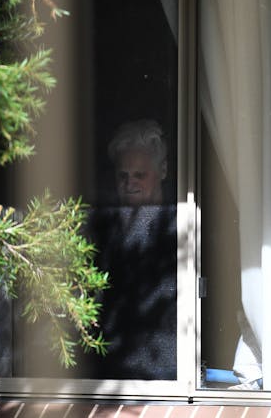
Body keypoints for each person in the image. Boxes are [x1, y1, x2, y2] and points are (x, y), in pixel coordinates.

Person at [85, 119, 177, 379]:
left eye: (140, 175)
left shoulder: (178, 225)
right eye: (122, 175)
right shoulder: (102, 227)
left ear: (163, 170)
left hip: (166, 376)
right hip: (107, 373)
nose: (130, 183)